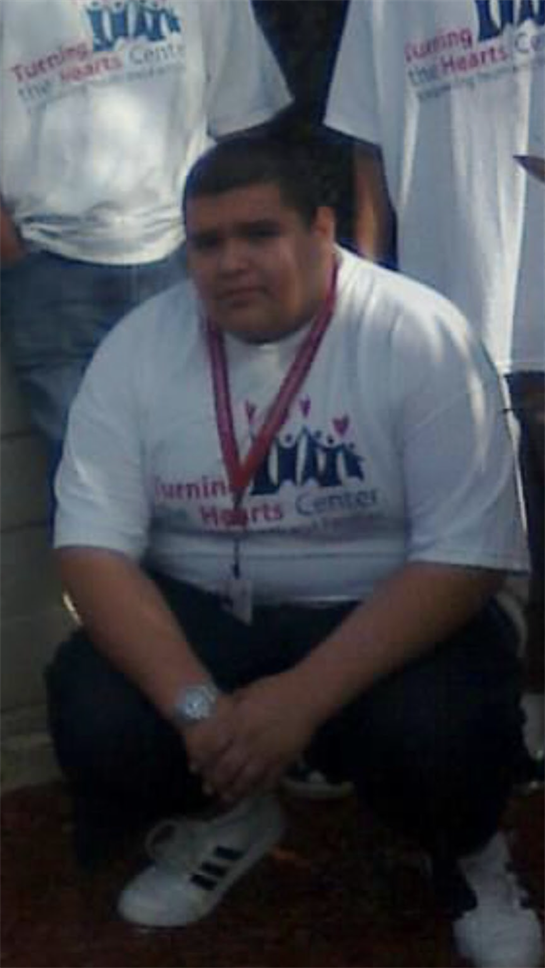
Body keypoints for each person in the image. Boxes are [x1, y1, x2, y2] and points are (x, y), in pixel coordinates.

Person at [47, 136, 542, 968]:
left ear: (322, 229)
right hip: (212, 615)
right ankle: (229, 814)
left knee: (442, 730)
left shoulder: (419, 335)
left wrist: (300, 700)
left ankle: (465, 851)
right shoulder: (137, 347)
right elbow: (91, 549)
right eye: (207, 243)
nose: (230, 263)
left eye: (258, 234)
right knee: (93, 705)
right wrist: (201, 710)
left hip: (382, 611)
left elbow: (465, 558)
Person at [324, 0, 545, 773]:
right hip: (454, 303)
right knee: (481, 534)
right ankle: (504, 708)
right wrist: (368, 289)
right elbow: (367, 150)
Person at [0, 0, 290, 466]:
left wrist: (231, 246)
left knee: (218, 470)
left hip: (191, 257)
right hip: (52, 270)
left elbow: (244, 121)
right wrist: (16, 256)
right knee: (86, 489)